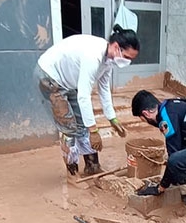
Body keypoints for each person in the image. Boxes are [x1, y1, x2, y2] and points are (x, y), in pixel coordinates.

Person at [35, 25, 139, 178]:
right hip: (49, 77)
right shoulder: (93, 56)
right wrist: (94, 131)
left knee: (83, 123)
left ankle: (92, 167)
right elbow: (83, 96)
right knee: (69, 126)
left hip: (69, 81)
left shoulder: (108, 61)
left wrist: (112, 118)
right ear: (117, 47)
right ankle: (72, 173)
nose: (128, 62)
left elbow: (104, 89)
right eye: (128, 57)